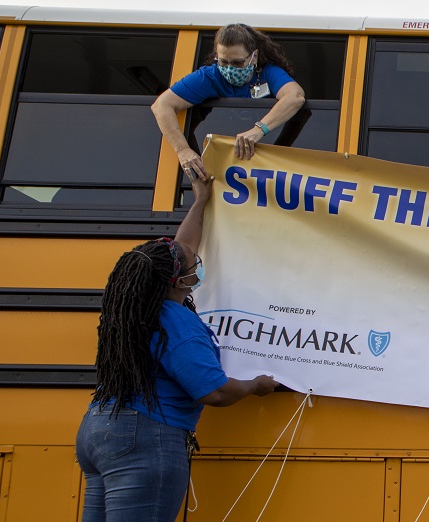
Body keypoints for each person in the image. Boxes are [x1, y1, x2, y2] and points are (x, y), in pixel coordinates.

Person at [75, 170, 278, 521]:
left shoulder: (133, 309)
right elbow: (213, 392)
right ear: (178, 280)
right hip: (144, 438)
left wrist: (200, 201)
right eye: (194, 266)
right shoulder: (178, 323)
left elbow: (182, 249)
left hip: (99, 431)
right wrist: (256, 386)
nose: (198, 266)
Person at [151, 23, 305, 179]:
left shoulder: (268, 73)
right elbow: (161, 105)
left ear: (254, 57)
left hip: (266, 168)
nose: (230, 69)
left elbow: (295, 97)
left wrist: (259, 131)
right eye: (223, 62)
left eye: (237, 63)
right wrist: (183, 150)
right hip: (222, 169)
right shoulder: (210, 76)